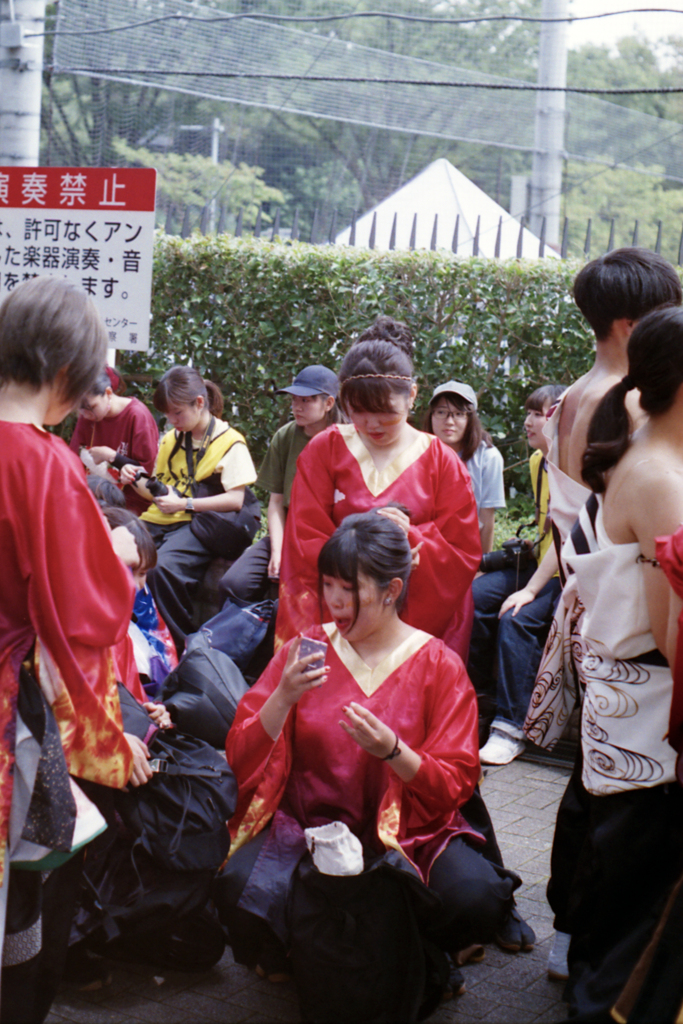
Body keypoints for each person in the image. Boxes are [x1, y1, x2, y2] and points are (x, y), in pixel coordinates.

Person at [216, 512, 522, 1000]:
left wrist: (395, 752)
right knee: (235, 882)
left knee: (477, 898)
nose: (334, 600)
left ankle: (417, 945)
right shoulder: (306, 648)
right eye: (328, 585)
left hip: (408, 834)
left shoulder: (437, 664)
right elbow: (240, 752)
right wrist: (282, 699)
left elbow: (458, 781)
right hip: (310, 827)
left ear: (391, 589)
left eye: (348, 588)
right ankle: (300, 948)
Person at [504, 248, 683, 982]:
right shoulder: (640, 405)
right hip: (621, 609)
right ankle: (593, 950)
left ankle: (572, 936)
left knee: (589, 779)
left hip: (587, 598)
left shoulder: (576, 395)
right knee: (611, 794)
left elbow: (564, 518)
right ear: (631, 322)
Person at [0, 277, 152, 1023]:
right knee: (27, 884)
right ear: (67, 373)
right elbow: (88, 610)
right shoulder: (43, 461)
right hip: (7, 706)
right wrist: (116, 544)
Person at [550, 305, 683, 1020]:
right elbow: (673, 628)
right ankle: (603, 1000)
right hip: (651, 706)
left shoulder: (638, 446)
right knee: (641, 881)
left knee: (615, 861)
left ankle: (590, 983)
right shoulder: (662, 477)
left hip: (618, 698)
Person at [275, 325, 481, 657]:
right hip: (336, 608)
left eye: (386, 413)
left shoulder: (443, 462)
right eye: (359, 412)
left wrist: (413, 539)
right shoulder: (324, 449)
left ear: (412, 396)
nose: (372, 425)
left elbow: (462, 551)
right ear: (343, 403)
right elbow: (304, 539)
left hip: (413, 617)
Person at [121, 367, 260, 655]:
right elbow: (158, 490)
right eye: (168, 415)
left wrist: (185, 504)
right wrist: (134, 479)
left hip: (196, 522)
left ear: (199, 402)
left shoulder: (230, 441)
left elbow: (235, 500)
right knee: (114, 551)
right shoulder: (172, 438)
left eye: (177, 413)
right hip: (161, 517)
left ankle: (176, 649)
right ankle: (124, 641)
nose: (172, 421)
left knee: (161, 570)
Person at [468, 384, 565, 763]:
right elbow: (546, 530)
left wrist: (531, 590)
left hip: (564, 575)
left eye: (538, 414)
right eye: (528, 412)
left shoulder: (574, 465)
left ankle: (511, 726)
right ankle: (476, 701)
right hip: (537, 565)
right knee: (474, 598)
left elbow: (568, 541)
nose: (527, 421)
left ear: (559, 418)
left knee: (517, 617)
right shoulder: (537, 461)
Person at [218, 364, 340, 607]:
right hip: (289, 530)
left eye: (306, 400)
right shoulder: (285, 436)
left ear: (328, 404)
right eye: (294, 400)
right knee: (234, 583)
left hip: (331, 537)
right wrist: (277, 551)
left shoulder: (347, 438)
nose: (297, 407)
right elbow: (275, 502)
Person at [424, 380, 505, 553]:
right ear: (431, 416)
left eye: (459, 414)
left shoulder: (488, 457)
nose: (449, 421)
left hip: (466, 550)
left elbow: (486, 518)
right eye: (441, 412)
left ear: (470, 419)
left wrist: (482, 567)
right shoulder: (418, 453)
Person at [69, 369, 159, 515]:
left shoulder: (137, 415)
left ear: (108, 393)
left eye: (91, 408)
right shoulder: (87, 417)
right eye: (80, 410)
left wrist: (112, 456)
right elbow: (72, 459)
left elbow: (146, 474)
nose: (86, 415)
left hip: (130, 504)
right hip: (95, 498)